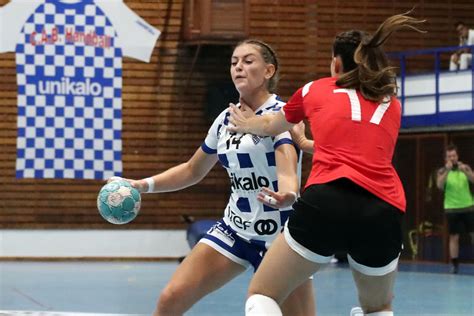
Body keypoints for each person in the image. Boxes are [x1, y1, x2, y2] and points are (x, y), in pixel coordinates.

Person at [228, 12, 425, 316]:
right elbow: (358, 149)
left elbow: (271, 125)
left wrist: (247, 123)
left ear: (336, 64)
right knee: (379, 308)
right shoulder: (392, 103)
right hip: (383, 209)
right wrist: (308, 145)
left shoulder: (315, 89)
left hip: (327, 200)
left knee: (263, 293)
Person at [110, 39, 315, 316]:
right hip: (236, 230)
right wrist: (142, 185)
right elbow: (193, 170)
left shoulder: (280, 116)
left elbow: (287, 166)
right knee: (171, 297)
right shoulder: (224, 120)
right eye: (234, 62)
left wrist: (288, 193)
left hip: (281, 238)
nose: (238, 67)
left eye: (247, 61)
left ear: (268, 71)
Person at [436, 144, 474, 274]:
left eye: (454, 155)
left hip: (468, 206)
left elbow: (473, 179)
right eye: (449, 156)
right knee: (454, 237)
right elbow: (439, 185)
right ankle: (455, 264)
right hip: (452, 209)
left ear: (457, 156)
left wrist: (466, 171)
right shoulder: (442, 171)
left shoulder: (465, 167)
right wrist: (447, 170)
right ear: (446, 158)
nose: (452, 158)